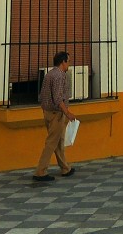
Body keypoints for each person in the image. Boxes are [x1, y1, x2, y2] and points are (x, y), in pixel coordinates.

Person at [34, 51, 77, 181]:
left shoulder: (49, 74)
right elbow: (58, 99)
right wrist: (67, 113)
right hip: (56, 114)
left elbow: (42, 95)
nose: (69, 63)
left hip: (47, 112)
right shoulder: (59, 76)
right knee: (52, 142)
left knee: (58, 142)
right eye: (68, 61)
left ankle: (65, 168)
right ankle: (40, 171)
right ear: (63, 62)